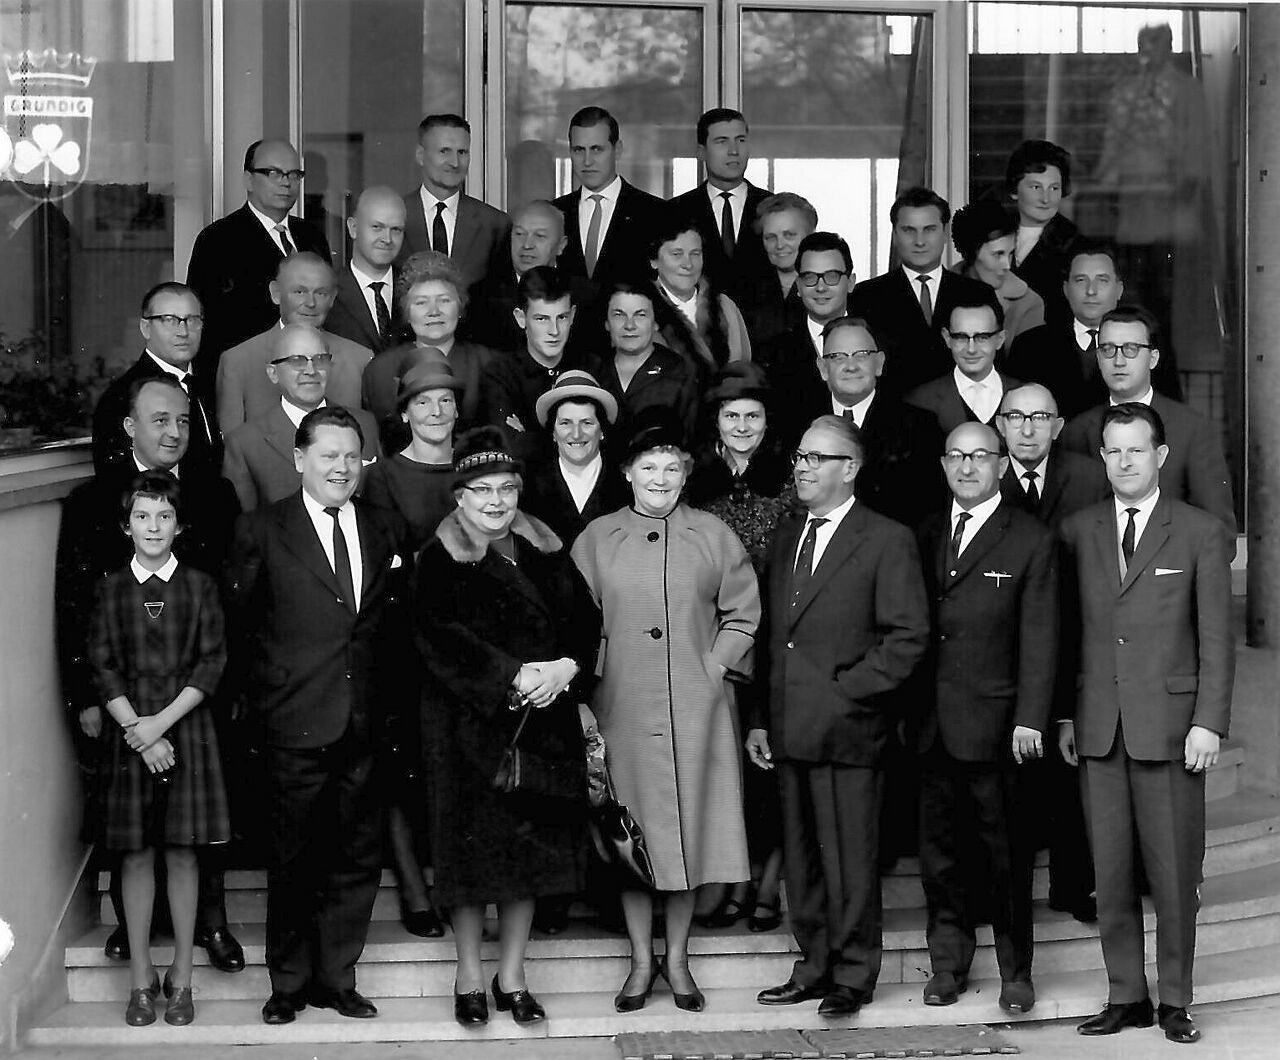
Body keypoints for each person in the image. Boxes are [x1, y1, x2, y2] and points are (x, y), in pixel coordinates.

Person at [572, 407, 760, 1013]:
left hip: (698, 712)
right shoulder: (597, 539)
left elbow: (744, 612)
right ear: (627, 471)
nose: (660, 477)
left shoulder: (713, 534)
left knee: (687, 836)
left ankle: (677, 960)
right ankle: (639, 960)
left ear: (685, 474)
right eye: (649, 466)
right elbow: (574, 623)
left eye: (672, 467)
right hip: (621, 708)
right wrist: (596, 683)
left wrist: (714, 667)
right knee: (632, 838)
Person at [1060, 402, 1235, 1044]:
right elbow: (1066, 632)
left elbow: (1216, 637)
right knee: (1110, 874)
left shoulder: (1199, 531)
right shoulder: (1077, 531)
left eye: (1136, 449)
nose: (1125, 461)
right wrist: (1065, 713)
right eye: (1114, 450)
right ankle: (1126, 995)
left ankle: (1176, 1001)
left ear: (1160, 455)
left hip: (1172, 727)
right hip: (1099, 727)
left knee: (1174, 875)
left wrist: (1209, 721)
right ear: (1102, 458)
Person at [226, 406, 407, 1025]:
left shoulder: (385, 526)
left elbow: (393, 626)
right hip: (293, 721)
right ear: (300, 458)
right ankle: (289, 984)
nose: (341, 467)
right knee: (294, 858)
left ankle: (337, 978)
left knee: (357, 858)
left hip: (366, 720)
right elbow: (241, 628)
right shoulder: (261, 528)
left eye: (352, 456)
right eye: (329, 455)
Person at [415, 427, 601, 1027]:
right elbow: (438, 638)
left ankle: (512, 975)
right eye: (482, 490)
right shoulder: (438, 557)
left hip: (541, 725)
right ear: (459, 496)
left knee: (528, 859)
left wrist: (567, 667)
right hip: (469, 731)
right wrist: (512, 675)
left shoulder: (545, 548)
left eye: (506, 489)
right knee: (470, 863)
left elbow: (585, 620)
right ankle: (470, 974)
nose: (496, 501)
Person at [58, 375, 243, 973]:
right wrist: (87, 699)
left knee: (193, 831)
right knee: (133, 833)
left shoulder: (214, 494)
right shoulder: (94, 501)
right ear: (129, 427)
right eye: (160, 420)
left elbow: (231, 605)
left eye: (184, 420)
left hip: (195, 697)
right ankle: (133, 934)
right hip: (126, 703)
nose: (174, 432)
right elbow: (75, 610)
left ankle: (209, 925)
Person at [748, 415, 929, 1017]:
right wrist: (760, 717)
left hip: (850, 730)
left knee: (849, 862)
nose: (801, 468)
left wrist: (845, 692)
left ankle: (853, 975)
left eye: (815, 458)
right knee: (802, 863)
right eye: (799, 456)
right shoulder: (786, 535)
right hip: (788, 727)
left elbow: (907, 637)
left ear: (849, 468)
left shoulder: (886, 538)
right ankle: (814, 966)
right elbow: (773, 637)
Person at [912, 422, 1058, 1014]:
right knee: (940, 857)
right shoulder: (923, 532)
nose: (967, 466)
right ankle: (947, 966)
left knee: (1006, 856)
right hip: (929, 726)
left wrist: (1032, 717)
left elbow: (1042, 637)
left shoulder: (1030, 538)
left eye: (979, 456)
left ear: (1001, 465)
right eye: (956, 456)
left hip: (1000, 728)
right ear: (943, 464)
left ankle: (1015, 973)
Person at [89, 472, 231, 1028]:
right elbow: (102, 665)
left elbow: (211, 663)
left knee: (183, 852)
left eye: (164, 516)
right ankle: (140, 979)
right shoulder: (109, 589)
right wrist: (137, 730)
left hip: (186, 731)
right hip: (129, 736)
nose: (153, 527)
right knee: (135, 855)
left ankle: (182, 978)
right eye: (142, 516)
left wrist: (160, 726)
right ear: (126, 526)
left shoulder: (200, 586)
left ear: (179, 525)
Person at [684, 362, 793, 933]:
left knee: (773, 766)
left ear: (768, 422)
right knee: (729, 770)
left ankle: (769, 883)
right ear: (716, 421)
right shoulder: (695, 482)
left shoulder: (789, 480)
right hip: (719, 644)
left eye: (753, 415)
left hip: (781, 637)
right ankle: (735, 879)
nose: (743, 426)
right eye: (732, 416)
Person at [995, 383, 1109, 924]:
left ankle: (1073, 886)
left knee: (1068, 772)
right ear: (1000, 425)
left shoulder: (1089, 478)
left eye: (1040, 417)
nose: (1027, 428)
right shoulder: (982, 472)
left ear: (1058, 426)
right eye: (1015, 417)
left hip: (1071, 636)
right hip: (1000, 647)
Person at [1059, 306, 1235, 534]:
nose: (1119, 360)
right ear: (1099, 358)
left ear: (1153, 358)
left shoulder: (1191, 428)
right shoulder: (1077, 431)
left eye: (1131, 349)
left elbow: (1219, 529)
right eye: (1108, 349)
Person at [187, 139, 331, 387]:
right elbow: (203, 326)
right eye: (273, 173)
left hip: (310, 377)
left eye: (294, 174)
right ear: (248, 179)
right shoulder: (218, 240)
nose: (286, 182)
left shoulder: (311, 236)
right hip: (250, 380)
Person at [1005, 242, 1182, 418]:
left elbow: (1171, 412)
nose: (1091, 291)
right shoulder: (1030, 345)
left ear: (1119, 289)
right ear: (1066, 289)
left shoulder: (1149, 344)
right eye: (1081, 280)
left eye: (1102, 280)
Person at [848, 187, 996, 396]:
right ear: (894, 235)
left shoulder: (978, 294)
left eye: (929, 229)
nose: (919, 241)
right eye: (909, 230)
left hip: (963, 410)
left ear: (945, 232)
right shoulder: (866, 296)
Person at [222, 325, 380, 510]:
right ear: (273, 373)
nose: (311, 370)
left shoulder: (365, 423)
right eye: (297, 361)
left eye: (319, 359)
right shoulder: (245, 442)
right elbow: (246, 522)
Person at [215, 252, 372, 434]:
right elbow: (233, 443)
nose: (310, 303)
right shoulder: (238, 361)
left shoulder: (360, 359)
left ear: (332, 298)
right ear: (276, 293)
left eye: (321, 293)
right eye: (299, 292)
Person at [813, 317, 944, 530]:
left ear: (879, 363)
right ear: (823, 368)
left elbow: (929, 511)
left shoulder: (919, 426)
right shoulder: (800, 424)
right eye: (837, 357)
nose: (851, 366)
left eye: (862, 355)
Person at [362, 251, 492, 450]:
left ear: (460, 307)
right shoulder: (380, 370)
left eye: (444, 300)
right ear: (407, 312)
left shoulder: (488, 364)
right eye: (421, 302)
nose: (434, 311)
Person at [92, 283, 217, 477]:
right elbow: (117, 480)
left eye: (192, 320)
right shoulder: (122, 395)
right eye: (169, 320)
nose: (183, 332)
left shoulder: (205, 383)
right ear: (146, 328)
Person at [757, 232, 855, 445]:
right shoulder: (770, 355)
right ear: (799, 286)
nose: (820, 287)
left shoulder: (881, 345)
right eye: (810, 277)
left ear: (851, 282)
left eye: (832, 276)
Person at [553, 106, 665, 292]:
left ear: (617, 149)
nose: (587, 161)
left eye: (597, 149)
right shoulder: (555, 213)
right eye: (579, 150)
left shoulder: (655, 213)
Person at [361, 350, 462, 552]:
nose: (437, 412)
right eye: (423, 402)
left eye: (445, 400)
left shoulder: (476, 466)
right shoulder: (383, 477)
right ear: (405, 413)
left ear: (456, 409)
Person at [667, 108, 771, 301]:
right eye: (722, 141)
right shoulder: (674, 211)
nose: (734, 151)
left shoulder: (773, 208)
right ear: (701, 152)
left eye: (741, 140)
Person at [482, 266, 583, 462]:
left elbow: (607, 441)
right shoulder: (499, 374)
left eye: (561, 317)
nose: (554, 331)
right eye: (542, 319)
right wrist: (573, 440)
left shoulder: (591, 366)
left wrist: (530, 435)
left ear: (572, 315)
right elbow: (511, 447)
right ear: (521, 318)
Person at [400, 114, 510, 290]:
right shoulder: (395, 217)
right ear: (420, 155)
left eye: (462, 152)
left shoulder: (495, 224)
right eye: (444, 151)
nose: (455, 162)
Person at [522, 370, 628, 547]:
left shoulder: (627, 482)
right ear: (553, 432)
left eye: (587, 423)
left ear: (601, 430)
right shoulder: (529, 484)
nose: (576, 434)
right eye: (565, 423)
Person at [649, 214, 752, 384]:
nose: (688, 264)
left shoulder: (725, 305)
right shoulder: (639, 311)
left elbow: (746, 366)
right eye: (677, 254)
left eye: (695, 254)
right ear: (654, 261)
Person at [588, 281, 697, 439]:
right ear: (606, 323)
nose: (629, 325)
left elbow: (693, 441)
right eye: (619, 315)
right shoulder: (592, 370)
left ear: (655, 323)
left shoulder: (680, 372)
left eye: (640, 315)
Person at [463, 200, 573, 352]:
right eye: (519, 234)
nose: (527, 245)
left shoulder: (582, 295)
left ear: (561, 245)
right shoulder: (481, 296)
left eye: (539, 236)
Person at [906, 299, 1019, 436]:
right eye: (961, 337)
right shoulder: (920, 400)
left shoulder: (1026, 395)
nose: (971, 349)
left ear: (1000, 339)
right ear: (947, 338)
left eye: (982, 337)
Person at [950, 199, 1045, 346]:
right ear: (972, 252)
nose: (1007, 265)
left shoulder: (1028, 303)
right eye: (998, 254)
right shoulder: (937, 290)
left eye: (1010, 254)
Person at [324, 186, 407, 354]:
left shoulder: (414, 288)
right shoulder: (326, 291)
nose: (387, 239)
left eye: (396, 230)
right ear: (353, 228)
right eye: (377, 227)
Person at [1005, 139, 1080, 324]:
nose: (1046, 199)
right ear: (1014, 190)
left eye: (1054, 188)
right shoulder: (994, 234)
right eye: (1036, 187)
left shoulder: (1075, 245)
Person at [741, 192, 817, 348]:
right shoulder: (745, 293)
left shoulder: (827, 288)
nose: (780, 245)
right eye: (770, 237)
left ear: (810, 236)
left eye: (789, 235)